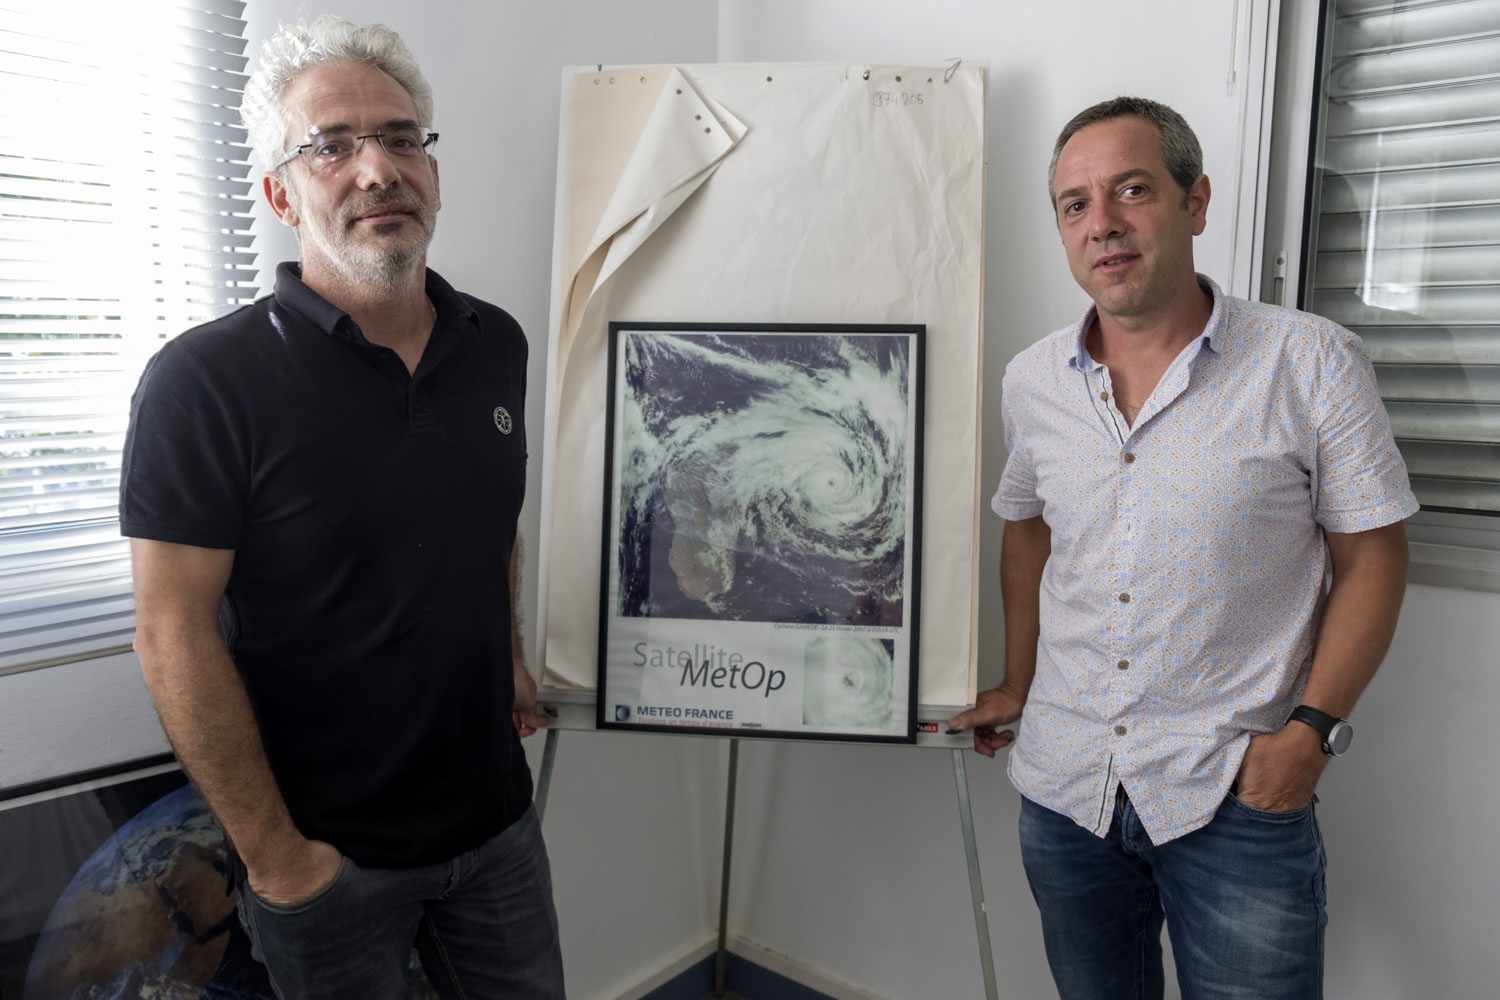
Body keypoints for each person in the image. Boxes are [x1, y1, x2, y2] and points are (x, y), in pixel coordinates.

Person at [120, 16, 564, 999]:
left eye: (402, 138)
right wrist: (279, 859)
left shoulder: (497, 344)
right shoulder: (205, 381)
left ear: (433, 171)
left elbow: (488, 521)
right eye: (333, 145)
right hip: (329, 866)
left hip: (497, 830)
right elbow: (168, 631)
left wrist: (513, 650)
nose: (378, 170)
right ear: (281, 193)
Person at [948, 96, 1417, 999]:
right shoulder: (1033, 378)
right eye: (1076, 204)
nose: (1104, 225)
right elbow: (1029, 529)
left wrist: (1309, 736)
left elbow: (1374, 557)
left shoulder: (1310, 361)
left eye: (1132, 190)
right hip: (1067, 786)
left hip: (1233, 792)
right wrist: (1017, 683)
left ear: (1196, 202)